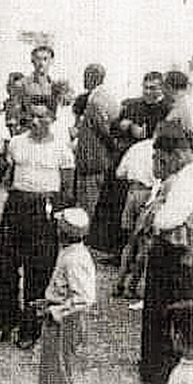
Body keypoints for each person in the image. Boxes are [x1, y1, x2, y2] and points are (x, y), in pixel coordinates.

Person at [128, 121, 193, 384]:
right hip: (182, 258)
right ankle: (157, 379)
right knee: (164, 317)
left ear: (176, 154)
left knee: (161, 318)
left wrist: (156, 213)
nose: (160, 164)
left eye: (162, 158)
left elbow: (166, 219)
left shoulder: (187, 178)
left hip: (176, 258)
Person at [0, 96, 74, 350]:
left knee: (38, 273)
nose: (36, 121)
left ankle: (30, 328)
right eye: (32, 116)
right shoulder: (16, 143)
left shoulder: (62, 148)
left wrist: (59, 217)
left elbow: (67, 188)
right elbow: (8, 177)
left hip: (44, 211)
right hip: (16, 207)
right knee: (4, 269)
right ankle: (5, 321)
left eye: (42, 116)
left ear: (53, 118)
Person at [25, 207, 95, 384]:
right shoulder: (72, 253)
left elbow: (84, 298)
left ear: (64, 231)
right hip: (61, 317)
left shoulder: (74, 258)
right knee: (51, 375)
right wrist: (47, 302)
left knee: (57, 376)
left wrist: (55, 311)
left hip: (65, 322)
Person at [72, 65, 119, 252]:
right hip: (94, 159)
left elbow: (105, 130)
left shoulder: (96, 100)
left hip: (93, 160)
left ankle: (82, 240)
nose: (84, 79)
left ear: (94, 77)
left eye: (87, 75)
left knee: (88, 202)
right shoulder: (100, 97)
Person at [112, 138, 157, 299]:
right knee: (144, 244)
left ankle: (119, 283)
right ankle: (131, 286)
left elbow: (119, 173)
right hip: (149, 194)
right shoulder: (159, 151)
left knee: (129, 243)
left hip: (131, 192)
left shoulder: (136, 147)